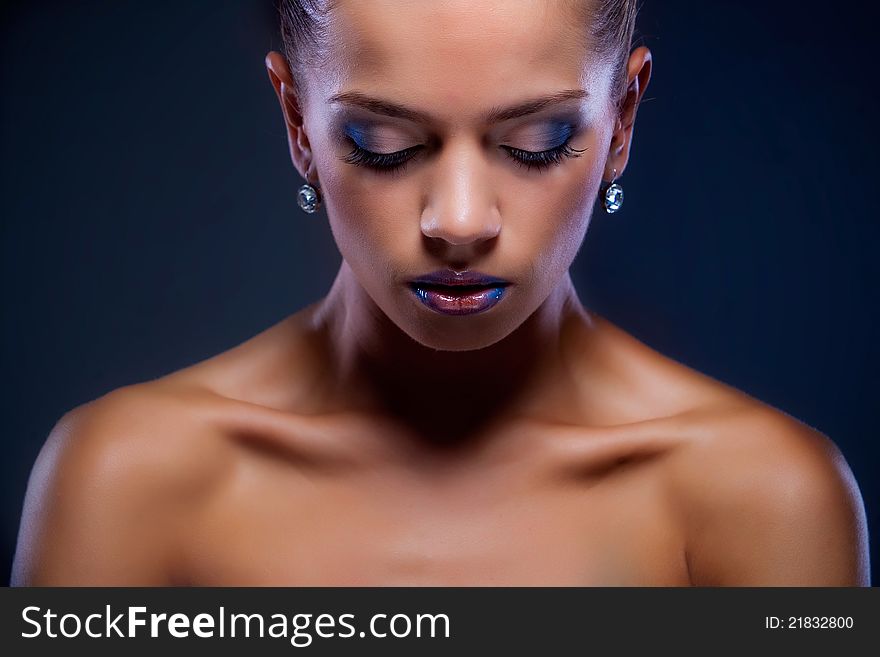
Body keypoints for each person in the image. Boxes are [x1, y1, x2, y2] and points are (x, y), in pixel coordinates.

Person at [11, 0, 870, 586]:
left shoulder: (761, 495)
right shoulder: (127, 479)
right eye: (381, 142)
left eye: (537, 141)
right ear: (295, 124)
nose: (459, 222)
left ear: (625, 120)